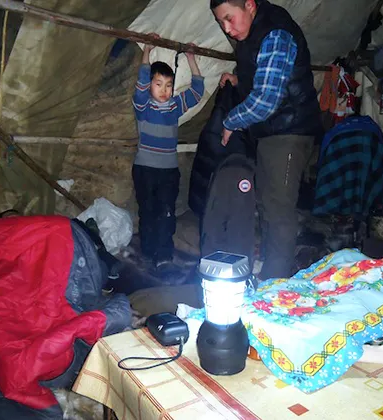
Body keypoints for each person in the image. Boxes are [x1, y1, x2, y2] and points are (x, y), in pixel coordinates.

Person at [211, 0, 322, 278]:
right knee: (268, 203)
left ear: (249, 5)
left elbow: (266, 100)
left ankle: (277, 282)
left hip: (288, 132)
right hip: (274, 131)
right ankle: (273, 270)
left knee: (278, 210)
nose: (227, 28)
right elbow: (264, 78)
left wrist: (230, 122)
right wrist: (238, 82)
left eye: (229, 18)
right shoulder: (254, 34)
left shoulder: (275, 32)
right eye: (221, 23)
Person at [132, 34, 204, 275]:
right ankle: (148, 252)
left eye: (168, 85)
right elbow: (141, 84)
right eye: (158, 84)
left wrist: (191, 58)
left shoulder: (174, 106)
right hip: (144, 169)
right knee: (148, 211)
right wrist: (147, 52)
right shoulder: (143, 106)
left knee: (166, 212)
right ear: (150, 85)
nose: (164, 90)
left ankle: (163, 255)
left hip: (168, 171)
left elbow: (197, 90)